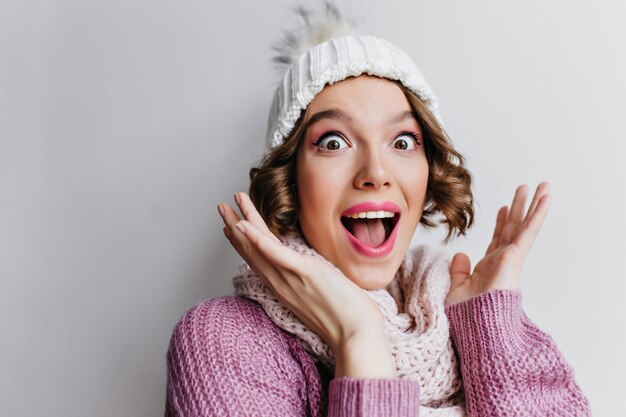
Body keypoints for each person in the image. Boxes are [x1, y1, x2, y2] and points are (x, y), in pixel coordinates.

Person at [164, 3, 592, 416]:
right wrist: (358, 337)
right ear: (289, 180)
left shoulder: (460, 313)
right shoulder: (224, 341)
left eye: (403, 141)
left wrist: (492, 334)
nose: (375, 172)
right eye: (334, 142)